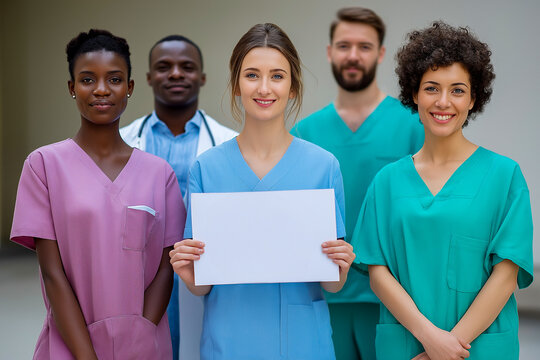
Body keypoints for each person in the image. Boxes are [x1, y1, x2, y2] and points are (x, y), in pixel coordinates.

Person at [169, 23, 356, 360]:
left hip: (303, 343)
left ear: (293, 87)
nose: (264, 88)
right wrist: (187, 272)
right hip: (228, 341)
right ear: (236, 85)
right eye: (252, 75)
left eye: (278, 76)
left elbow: (331, 284)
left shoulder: (323, 167)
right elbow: (202, 284)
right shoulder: (207, 169)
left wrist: (340, 267)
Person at [351, 22, 534, 360]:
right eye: (432, 88)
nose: (444, 102)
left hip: (477, 348)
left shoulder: (504, 176)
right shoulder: (387, 182)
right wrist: (430, 339)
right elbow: (377, 273)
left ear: (473, 98)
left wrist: (450, 346)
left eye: (458, 90)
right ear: (415, 94)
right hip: (407, 346)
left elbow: (507, 274)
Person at [10, 29, 185, 359]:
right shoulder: (43, 166)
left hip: (143, 347)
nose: (102, 90)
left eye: (115, 79)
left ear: (130, 88)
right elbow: (52, 273)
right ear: (71, 88)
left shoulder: (159, 174)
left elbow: (165, 270)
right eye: (88, 79)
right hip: (69, 345)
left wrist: (138, 339)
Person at [291, 7, 424, 359]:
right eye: (344, 45)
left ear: (380, 54)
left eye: (364, 47)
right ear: (330, 52)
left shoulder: (413, 125)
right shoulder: (305, 133)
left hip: (394, 302)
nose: (353, 55)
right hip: (321, 298)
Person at [120, 35, 236, 360]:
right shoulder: (122, 141)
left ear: (202, 77)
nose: (175, 74)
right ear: (147, 78)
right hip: (139, 270)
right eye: (163, 67)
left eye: (186, 67)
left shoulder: (230, 144)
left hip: (202, 269)